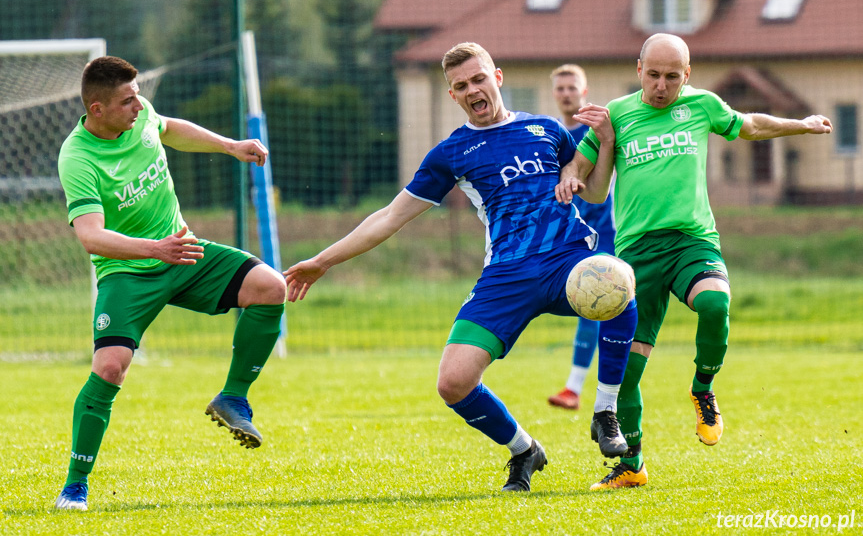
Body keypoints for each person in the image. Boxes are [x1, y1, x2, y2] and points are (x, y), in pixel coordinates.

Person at [284, 42, 638, 493]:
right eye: (461, 86)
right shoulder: (452, 153)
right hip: (505, 277)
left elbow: (593, 192)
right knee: (452, 383)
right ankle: (525, 450)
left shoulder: (546, 129)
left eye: (478, 79)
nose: (473, 90)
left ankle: (604, 411)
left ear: (498, 77)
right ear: (452, 95)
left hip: (565, 261)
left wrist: (604, 144)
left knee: (618, 284)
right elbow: (390, 217)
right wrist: (321, 261)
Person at [556, 33, 833, 490]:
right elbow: (585, 174)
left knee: (714, 305)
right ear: (639, 67)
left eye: (672, 77)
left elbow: (750, 126)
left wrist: (800, 124)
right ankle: (632, 464)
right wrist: (571, 179)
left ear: (688, 74)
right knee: (627, 369)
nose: (661, 86)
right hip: (636, 255)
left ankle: (702, 387)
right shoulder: (618, 115)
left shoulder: (702, 105)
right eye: (653, 75)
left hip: (692, 240)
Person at [54, 56, 287, 511]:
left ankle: (233, 397)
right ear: (97, 110)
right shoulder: (77, 157)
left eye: (138, 94)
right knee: (110, 368)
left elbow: (169, 128)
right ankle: (75, 486)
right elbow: (91, 236)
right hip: (128, 273)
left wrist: (230, 146)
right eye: (127, 100)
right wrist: (155, 249)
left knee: (269, 287)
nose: (139, 104)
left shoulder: (140, 116)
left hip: (182, 252)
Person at [546, 64, 617, 411]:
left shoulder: (596, 132)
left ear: (584, 92)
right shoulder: (552, 135)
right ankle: (594, 389)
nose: (566, 94)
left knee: (597, 306)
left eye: (572, 87)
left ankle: (578, 389)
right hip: (571, 238)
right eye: (559, 89)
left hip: (604, 234)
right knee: (593, 308)